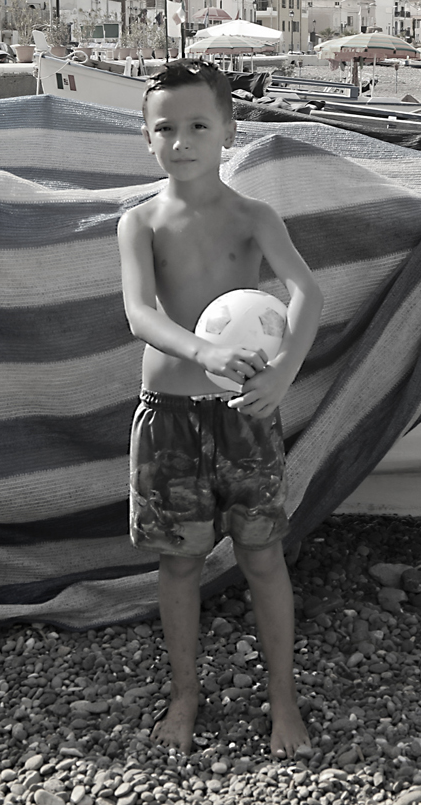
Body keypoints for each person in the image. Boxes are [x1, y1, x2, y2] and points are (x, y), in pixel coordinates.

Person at [117, 58, 323, 758]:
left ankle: (283, 700)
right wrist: (202, 350)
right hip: (169, 416)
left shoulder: (253, 218)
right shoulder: (139, 223)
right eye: (165, 129)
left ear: (230, 131)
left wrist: (285, 371)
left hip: (244, 415)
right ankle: (185, 694)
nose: (182, 141)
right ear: (147, 137)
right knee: (179, 564)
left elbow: (308, 292)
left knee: (263, 556)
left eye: (199, 126)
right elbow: (140, 313)